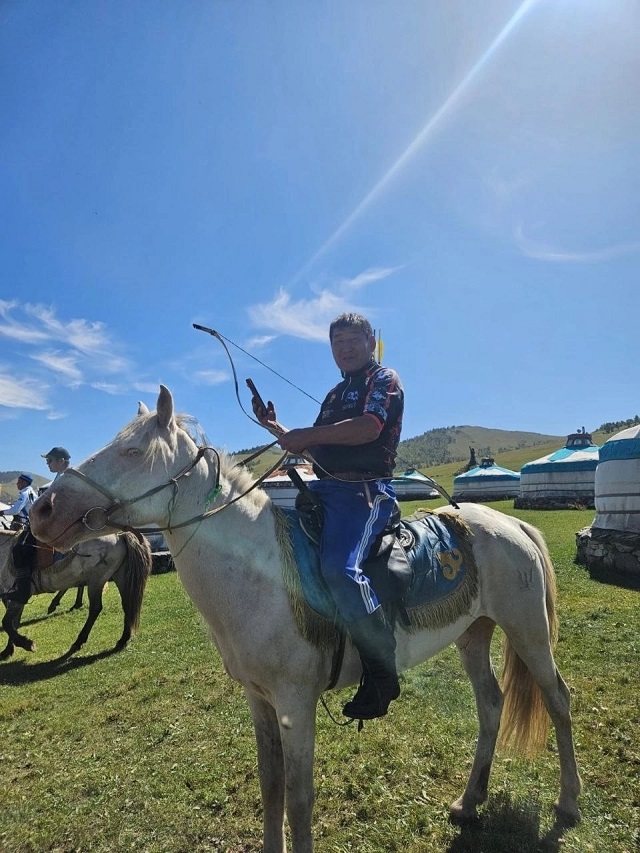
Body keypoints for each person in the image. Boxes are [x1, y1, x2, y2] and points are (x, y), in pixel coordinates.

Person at [252, 312, 404, 720]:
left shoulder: (384, 380)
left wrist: (307, 434)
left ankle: (381, 666)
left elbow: (369, 428)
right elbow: (313, 450)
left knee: (339, 568)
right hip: (325, 489)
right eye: (338, 343)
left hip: (365, 493)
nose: (346, 348)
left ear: (371, 341)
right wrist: (276, 426)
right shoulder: (335, 395)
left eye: (353, 340)